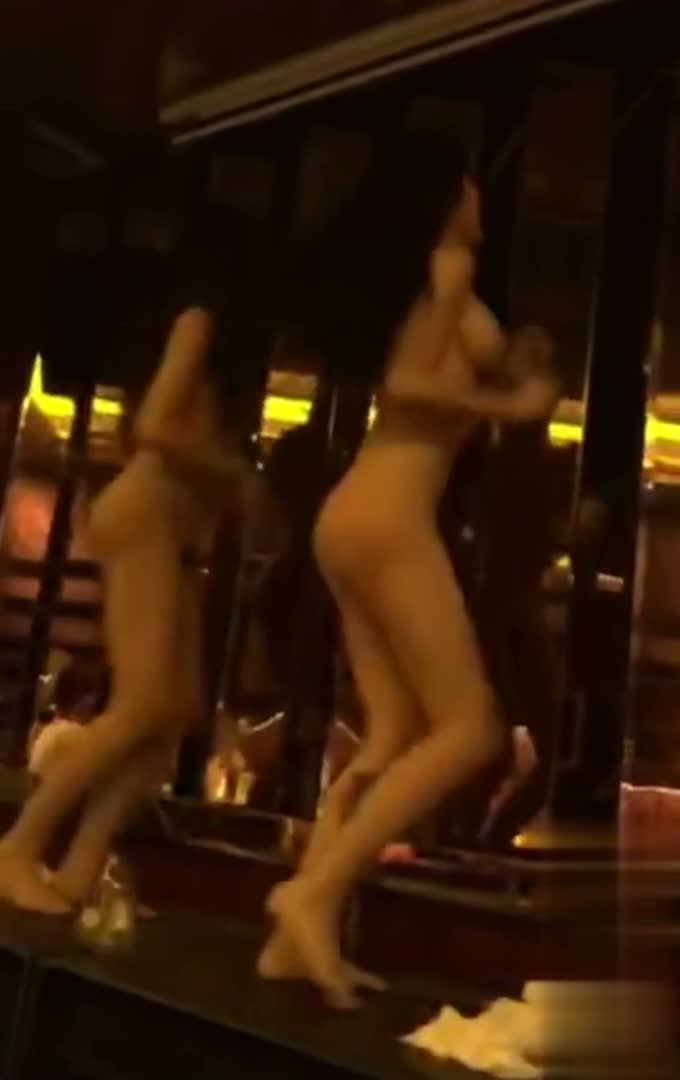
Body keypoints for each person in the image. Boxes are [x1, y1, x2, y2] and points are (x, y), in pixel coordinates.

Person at [259, 135, 558, 1008]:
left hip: (356, 514)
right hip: (390, 517)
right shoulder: (449, 266)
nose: (478, 193)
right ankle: (314, 896)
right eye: (468, 181)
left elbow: (437, 372)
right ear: (446, 196)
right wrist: (507, 402)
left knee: (393, 733)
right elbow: (408, 384)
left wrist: (516, 367)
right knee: (472, 729)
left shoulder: (443, 277)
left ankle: (291, 938)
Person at [0, 308, 247, 912]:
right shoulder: (197, 324)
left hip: (169, 531)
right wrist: (229, 469)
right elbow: (155, 427)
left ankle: (82, 864)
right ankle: (18, 847)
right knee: (140, 706)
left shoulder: (218, 344)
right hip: (146, 517)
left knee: (175, 710)